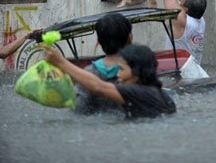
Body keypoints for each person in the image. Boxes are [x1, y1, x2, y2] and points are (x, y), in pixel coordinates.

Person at [45, 43, 176, 119]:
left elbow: (97, 86)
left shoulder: (139, 92)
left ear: (136, 71)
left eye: (121, 69)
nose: (118, 75)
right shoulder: (157, 92)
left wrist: (60, 62)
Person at [75, 13, 133, 114]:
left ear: (98, 42)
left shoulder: (88, 74)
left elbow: (77, 111)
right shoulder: (138, 70)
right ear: (129, 38)